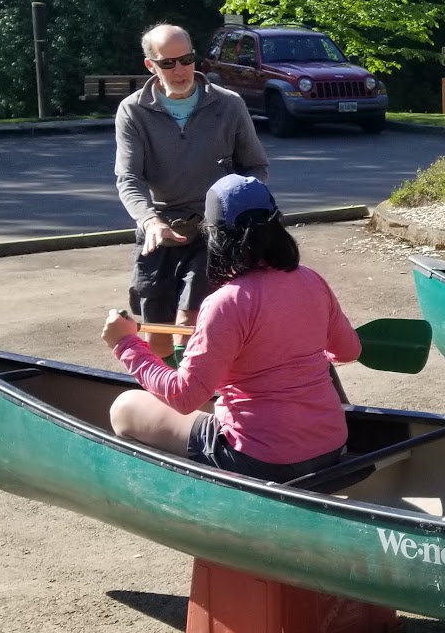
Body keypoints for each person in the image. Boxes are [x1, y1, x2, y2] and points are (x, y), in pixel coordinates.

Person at [100, 175, 361, 483]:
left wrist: (126, 345)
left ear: (215, 237)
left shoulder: (225, 302)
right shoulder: (311, 280)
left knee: (125, 408)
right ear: (278, 224)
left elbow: (185, 398)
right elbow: (349, 350)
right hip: (331, 446)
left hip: (258, 460)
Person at [114, 23, 270, 353]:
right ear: (150, 65)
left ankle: (195, 389)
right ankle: (162, 393)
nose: (180, 70)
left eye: (186, 59)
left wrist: (232, 217)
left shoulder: (229, 105)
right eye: (168, 63)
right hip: (160, 227)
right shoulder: (133, 111)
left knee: (191, 319)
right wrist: (149, 221)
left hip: (215, 226)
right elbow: (129, 178)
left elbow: (255, 168)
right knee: (155, 323)